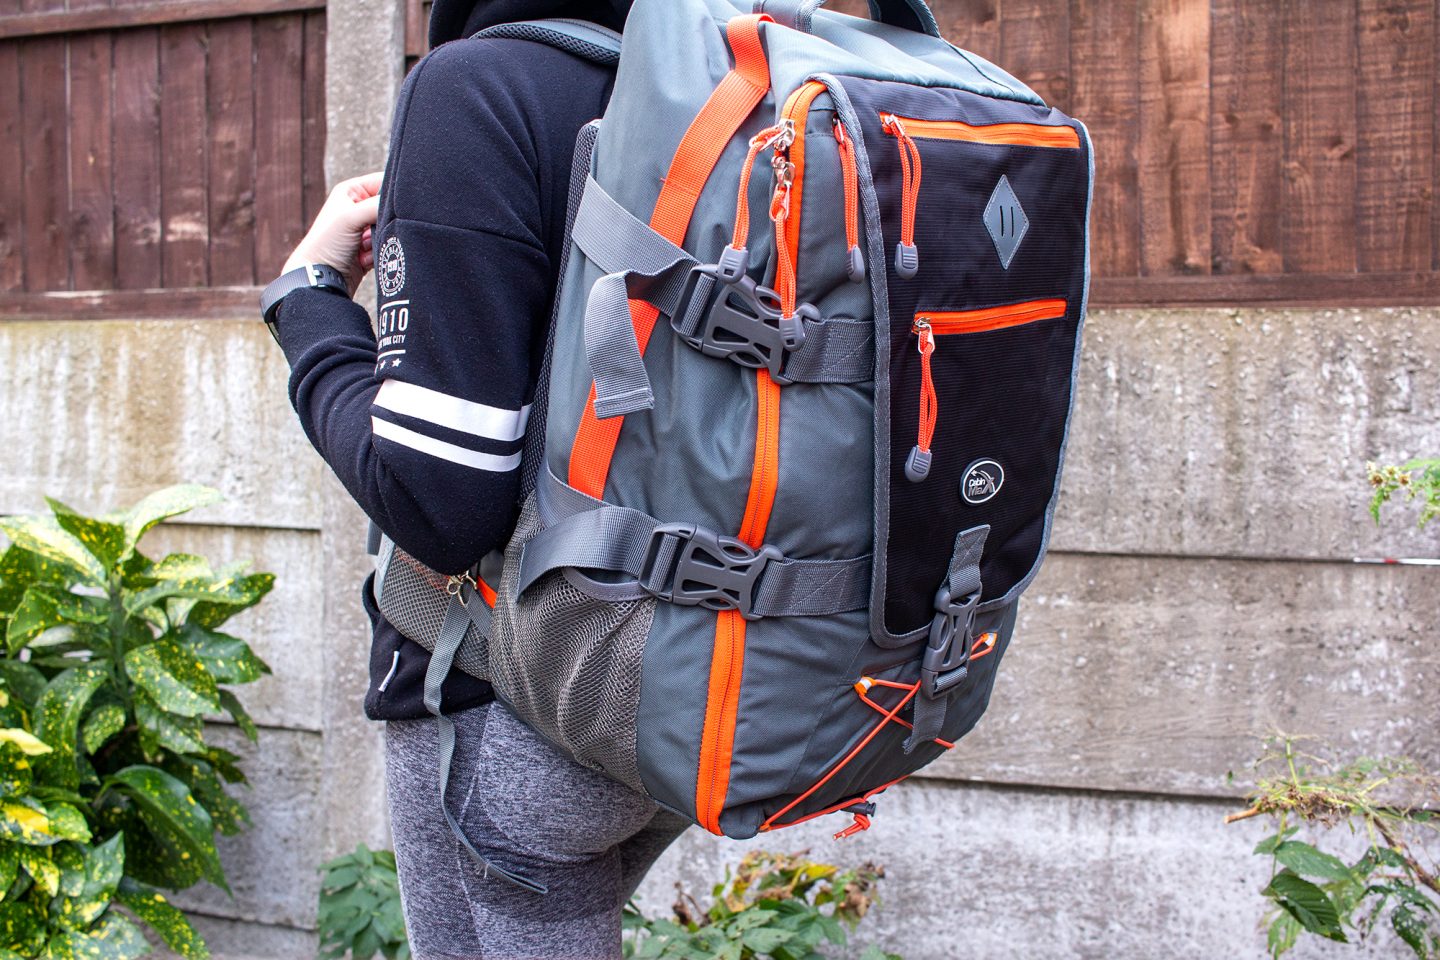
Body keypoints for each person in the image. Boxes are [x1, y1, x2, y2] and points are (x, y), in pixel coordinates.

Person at [262, 1, 691, 956]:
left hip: (514, 704)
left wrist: (309, 306)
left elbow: (438, 500)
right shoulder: (709, 90)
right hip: (691, 677)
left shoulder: (480, 88)